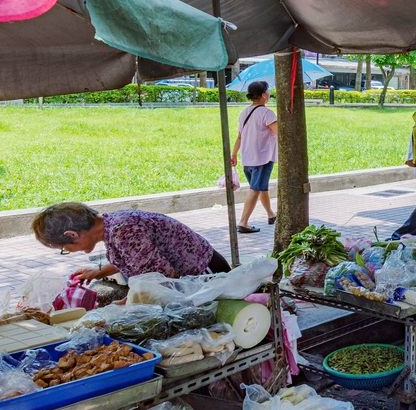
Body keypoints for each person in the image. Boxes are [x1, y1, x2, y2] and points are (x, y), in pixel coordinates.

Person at [32, 204, 221, 282]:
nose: (69, 251)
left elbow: (158, 277)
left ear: (72, 234)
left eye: (65, 248)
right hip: (188, 275)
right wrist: (99, 272)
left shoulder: (123, 230)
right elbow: (135, 258)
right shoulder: (111, 226)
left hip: (203, 272)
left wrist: (126, 304)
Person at [231, 81, 278, 234]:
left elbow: (239, 136)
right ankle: (243, 222)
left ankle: (271, 214)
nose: (269, 93)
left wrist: (233, 154)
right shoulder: (267, 113)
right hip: (262, 158)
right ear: (264, 95)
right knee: (256, 188)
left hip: (247, 158)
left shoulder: (244, 112)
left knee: (260, 187)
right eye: (268, 91)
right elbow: (280, 132)